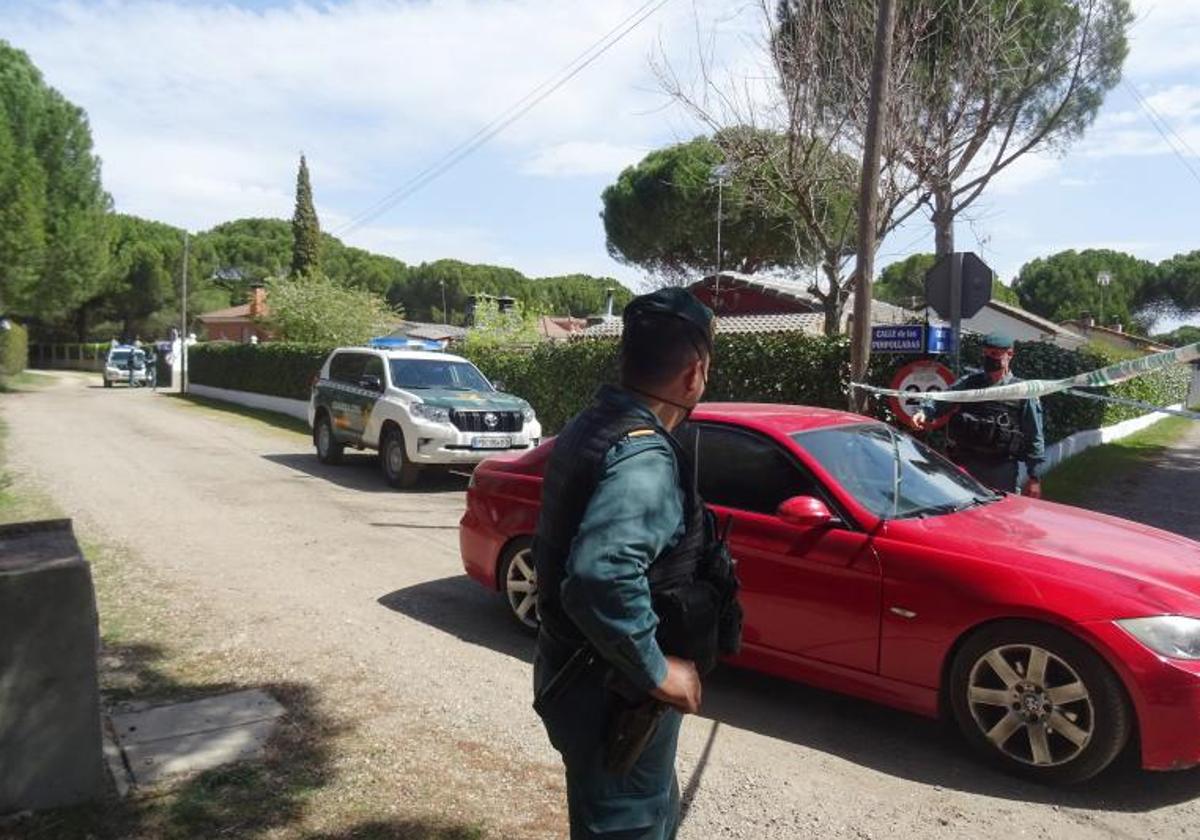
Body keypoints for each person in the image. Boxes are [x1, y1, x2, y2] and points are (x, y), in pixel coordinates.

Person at [533, 287, 728, 840]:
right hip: (611, 694)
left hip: (581, 676)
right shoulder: (642, 457)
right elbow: (600, 575)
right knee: (629, 825)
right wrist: (658, 670)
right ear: (693, 374)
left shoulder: (594, 422)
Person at [912, 332, 1045, 496]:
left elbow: (1034, 436)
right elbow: (943, 399)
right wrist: (924, 412)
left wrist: (1034, 479)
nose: (989, 358)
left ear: (1009, 354)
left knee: (997, 517)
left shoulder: (1022, 391)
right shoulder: (970, 383)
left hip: (1001, 469)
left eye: (995, 354)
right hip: (965, 464)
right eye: (986, 353)